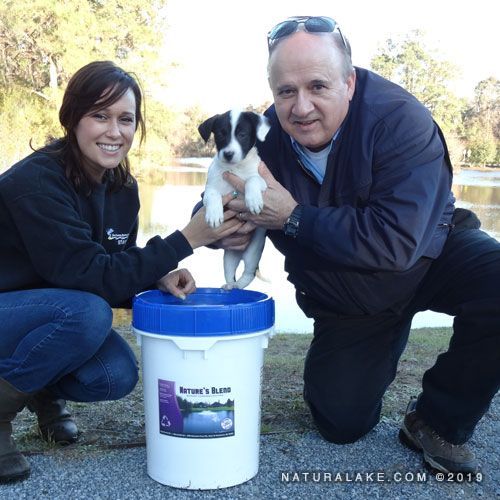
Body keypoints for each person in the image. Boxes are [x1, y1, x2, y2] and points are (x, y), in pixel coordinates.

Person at [216, 16, 500, 474]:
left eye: (317, 86)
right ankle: (375, 345)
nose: (301, 107)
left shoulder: (401, 120)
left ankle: (438, 420)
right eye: (286, 91)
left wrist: (293, 217)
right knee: (340, 422)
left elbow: (397, 243)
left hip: (431, 256)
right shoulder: (263, 135)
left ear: (349, 81)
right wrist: (225, 226)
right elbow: (215, 196)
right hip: (348, 295)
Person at [0, 60, 242, 484]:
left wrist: (155, 276)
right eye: (100, 116)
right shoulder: (36, 182)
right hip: (11, 307)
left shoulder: (122, 187)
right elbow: (88, 275)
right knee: (86, 313)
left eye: (125, 119)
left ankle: (40, 389)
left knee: (115, 374)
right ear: (72, 117)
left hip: (47, 311)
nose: (115, 132)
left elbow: (114, 259)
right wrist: (186, 239)